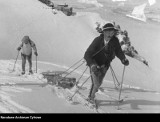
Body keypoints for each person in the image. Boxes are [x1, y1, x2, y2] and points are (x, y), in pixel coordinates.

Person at [84, 23, 129, 103]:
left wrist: (123, 59)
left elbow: (118, 51)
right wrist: (92, 64)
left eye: (112, 32)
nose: (110, 34)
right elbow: (87, 54)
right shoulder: (97, 40)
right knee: (96, 84)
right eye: (108, 32)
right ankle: (91, 98)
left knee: (99, 82)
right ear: (103, 32)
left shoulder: (115, 41)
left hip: (105, 65)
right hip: (95, 64)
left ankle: (93, 92)